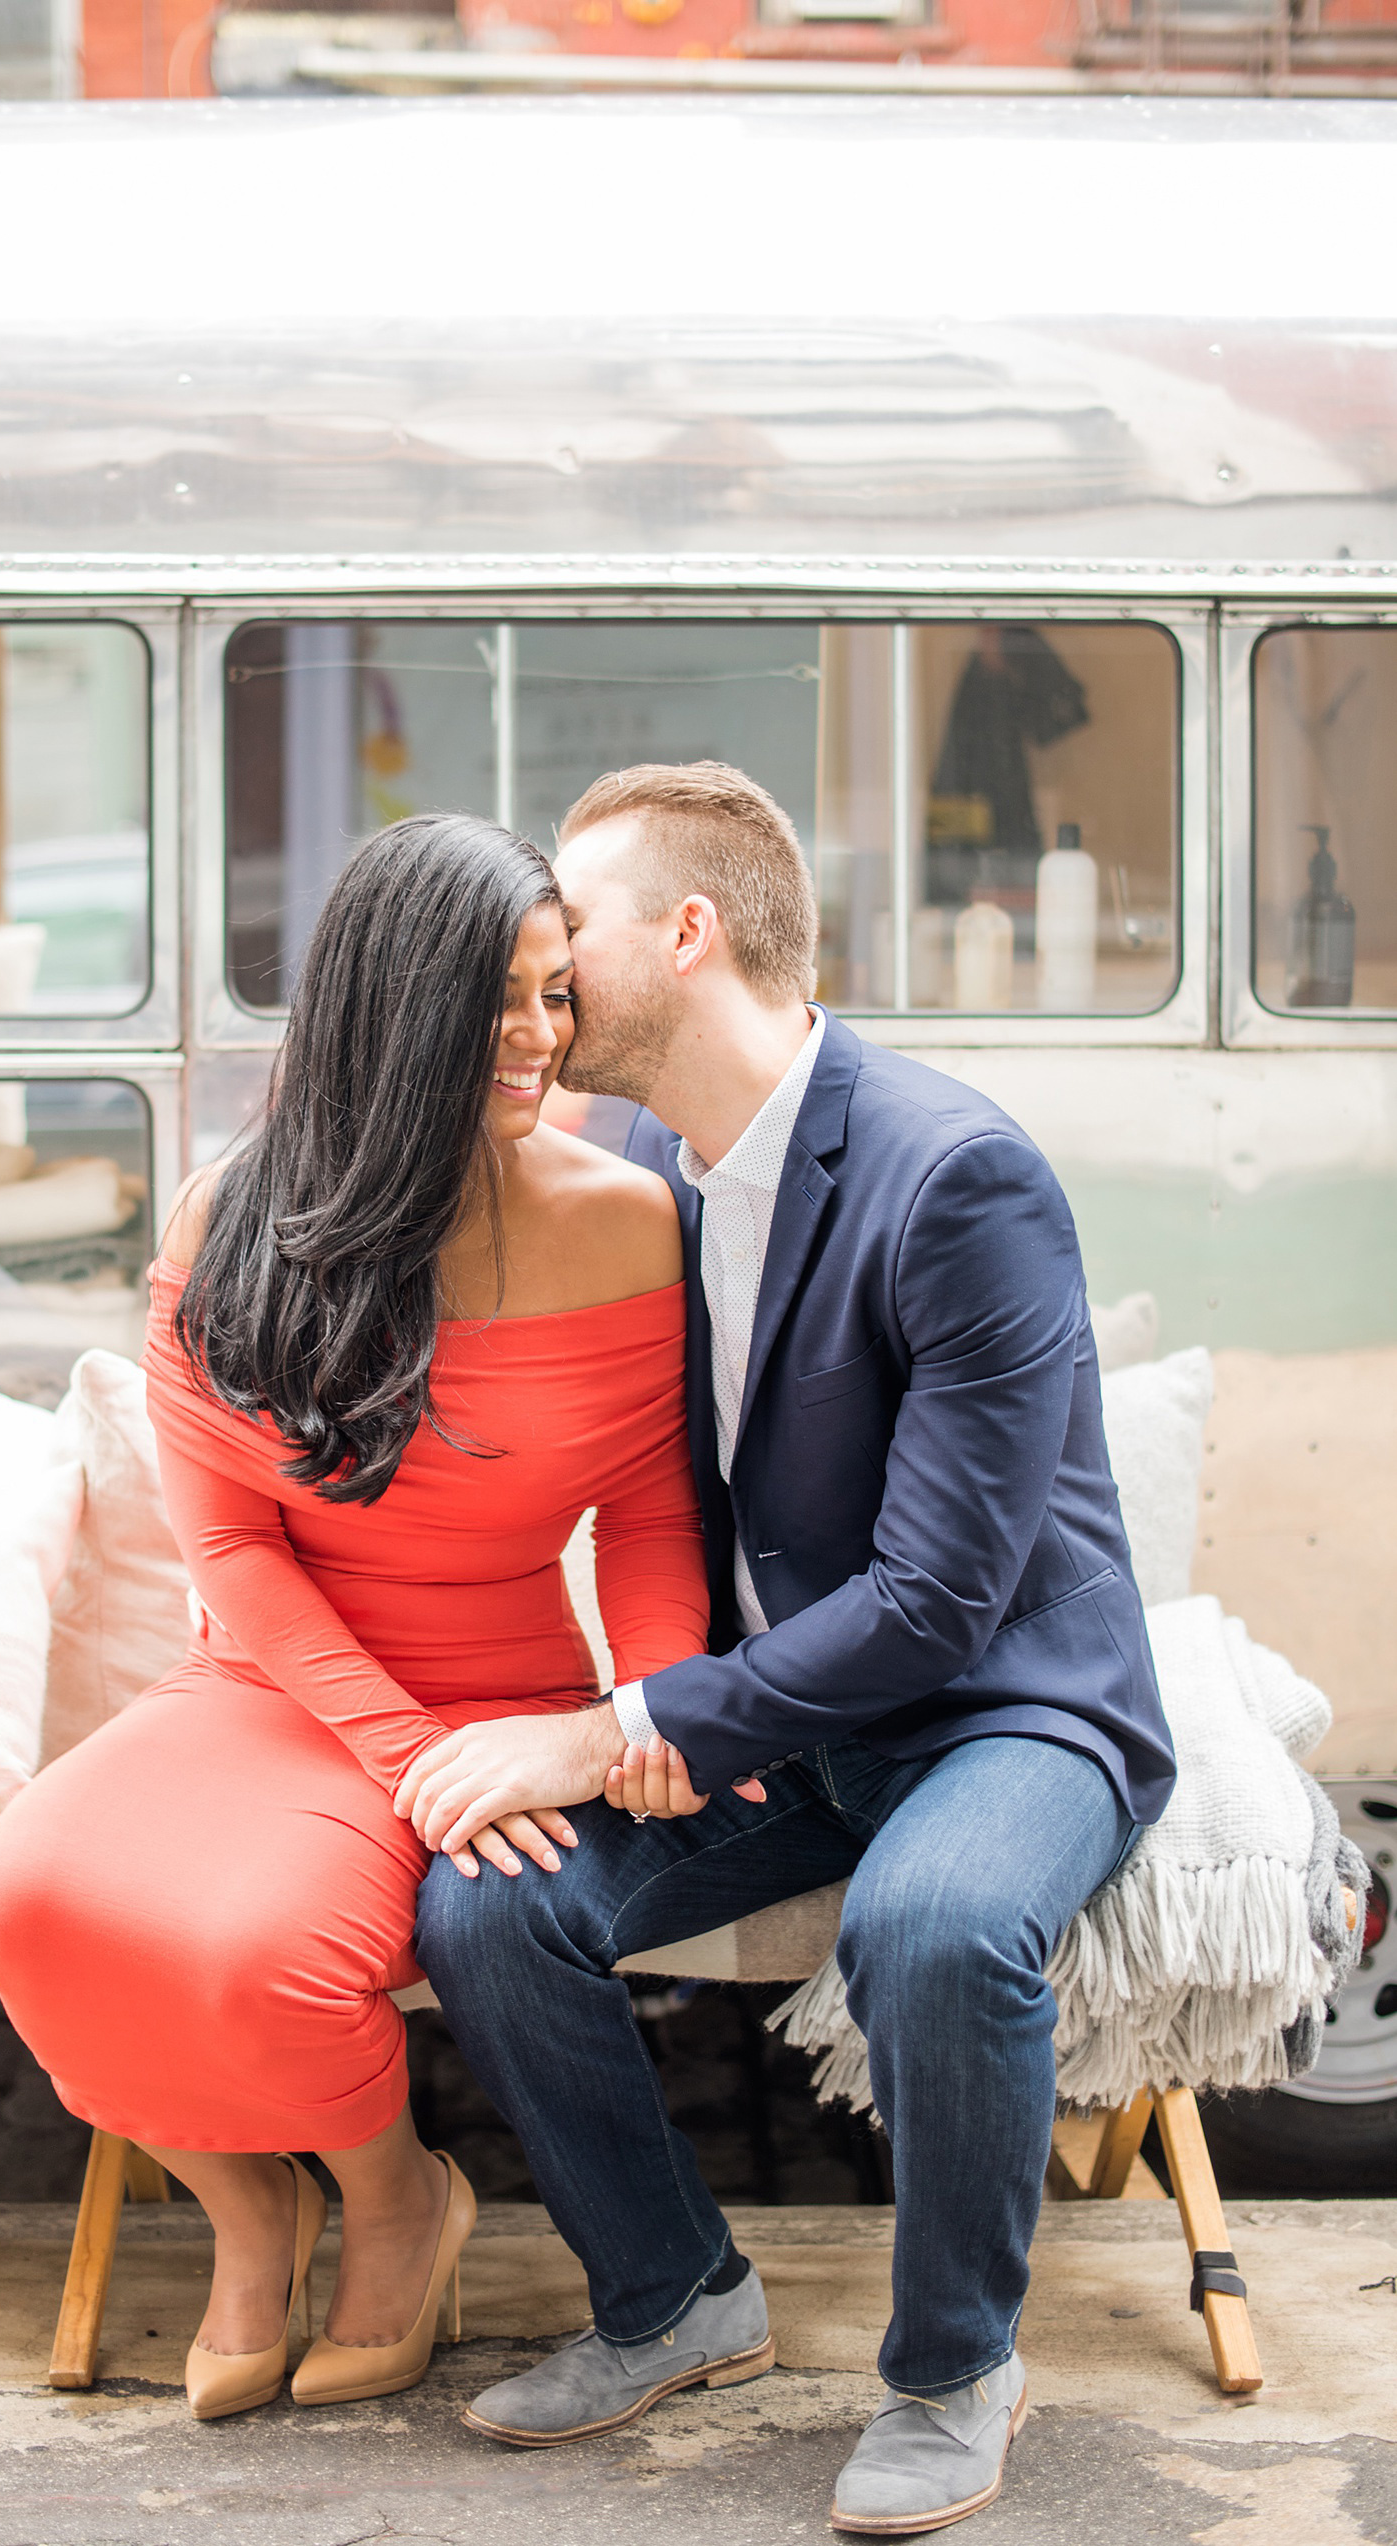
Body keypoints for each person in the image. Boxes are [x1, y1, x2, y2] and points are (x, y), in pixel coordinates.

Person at [409, 763, 1176, 2535]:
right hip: (783, 1721)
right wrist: (674, 1702)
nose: (544, 978)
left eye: (570, 933)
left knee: (937, 1918)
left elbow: (938, 1602)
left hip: (1006, 1712)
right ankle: (677, 2295)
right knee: (490, 1899)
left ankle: (954, 2363)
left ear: (686, 933)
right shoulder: (629, 1170)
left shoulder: (954, 1172)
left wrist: (621, 1722)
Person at [0, 813, 710, 2425]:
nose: (540, 1040)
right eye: (497, 1003)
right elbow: (229, 1545)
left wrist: (652, 1701)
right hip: (280, 1682)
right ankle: (256, 2211)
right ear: (394, 1013)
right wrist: (394, 1746)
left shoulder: (631, 1223)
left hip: (498, 1692)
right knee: (22, 1895)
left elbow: (650, 1508)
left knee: (268, 1957)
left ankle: (394, 2197)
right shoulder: (226, 1220)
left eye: (555, 995)